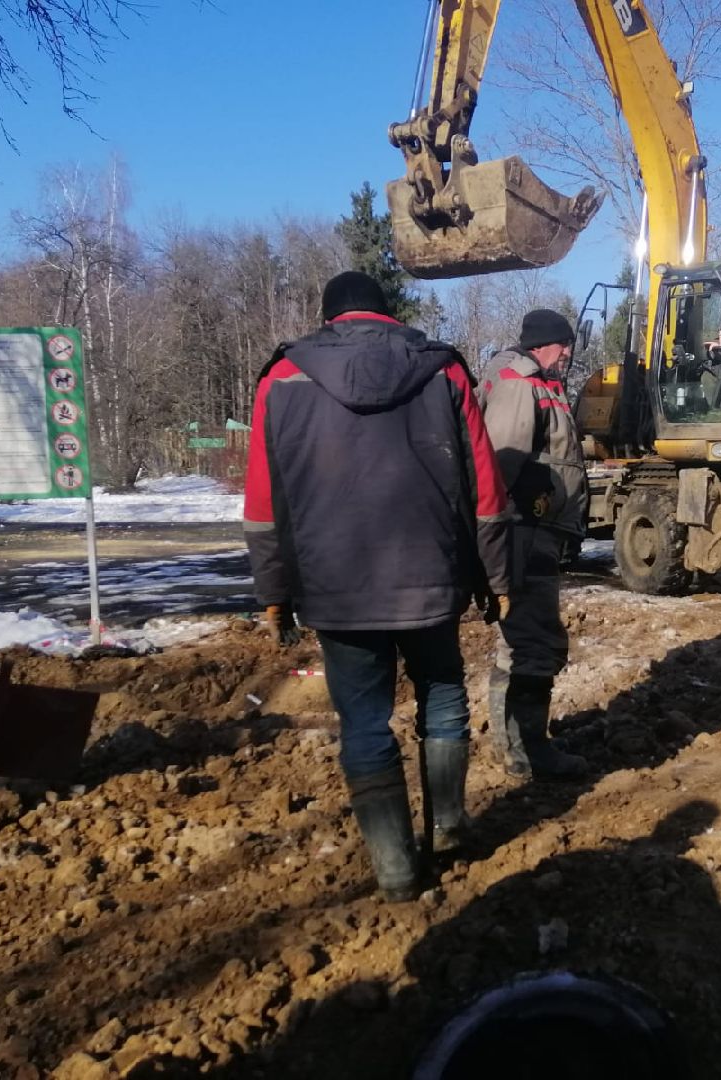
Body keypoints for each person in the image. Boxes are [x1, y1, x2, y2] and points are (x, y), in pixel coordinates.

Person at [244, 271, 511, 901]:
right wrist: (497, 577)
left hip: (335, 585)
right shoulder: (444, 371)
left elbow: (264, 503)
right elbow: (486, 489)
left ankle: (394, 871)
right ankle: (447, 826)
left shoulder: (282, 378)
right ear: (387, 314)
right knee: (442, 697)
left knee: (364, 723)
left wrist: (274, 592)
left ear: (328, 317)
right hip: (430, 580)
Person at [478, 308, 590, 780]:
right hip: (524, 531)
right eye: (565, 345)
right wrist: (507, 526)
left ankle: (516, 745)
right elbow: (501, 462)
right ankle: (527, 749)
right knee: (535, 640)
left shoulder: (536, 380)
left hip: (535, 529)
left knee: (520, 640)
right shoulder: (519, 381)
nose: (568, 354)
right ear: (546, 343)